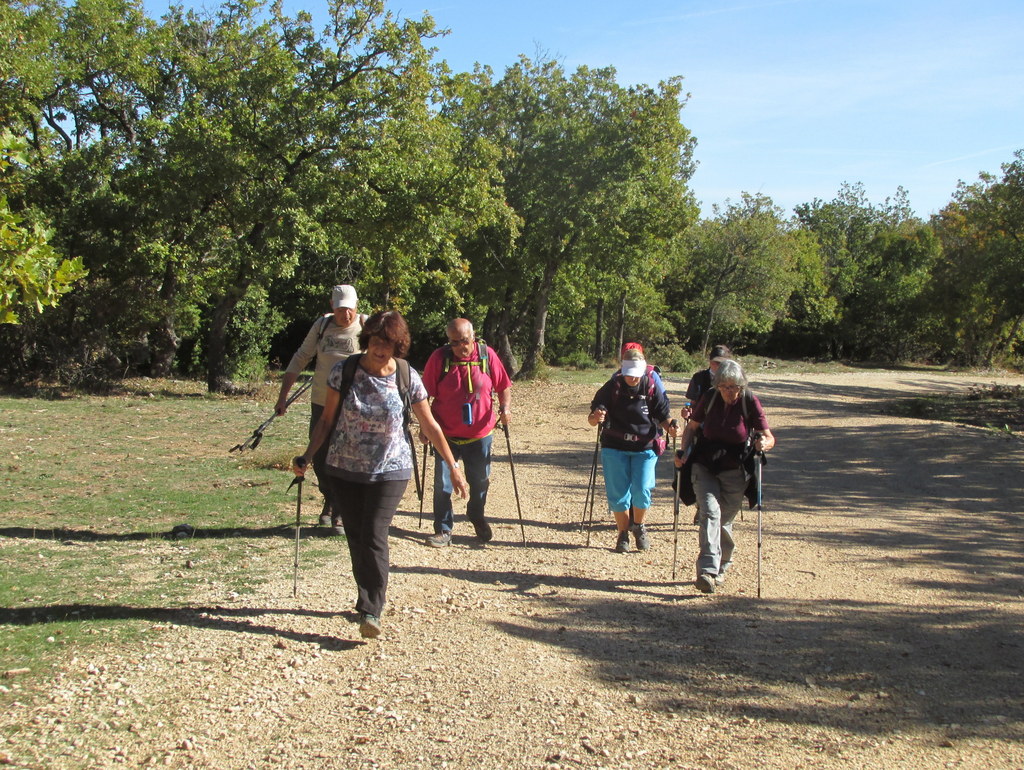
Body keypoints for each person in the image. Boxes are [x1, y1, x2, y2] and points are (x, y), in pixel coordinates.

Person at [291, 311, 467, 639]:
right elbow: (326, 421)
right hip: (344, 467)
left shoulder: (406, 376)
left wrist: (454, 469)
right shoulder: (343, 371)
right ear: (366, 341)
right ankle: (366, 595)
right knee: (355, 536)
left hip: (391, 468)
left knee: (373, 533)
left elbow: (430, 424)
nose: (380, 349)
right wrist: (307, 455)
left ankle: (372, 607)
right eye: (375, 342)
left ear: (398, 346)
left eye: (388, 343)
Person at [675, 358, 775, 593]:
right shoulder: (709, 397)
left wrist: (764, 443)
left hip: (736, 468)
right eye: (725, 387)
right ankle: (708, 570)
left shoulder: (749, 400)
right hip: (705, 463)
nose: (729, 392)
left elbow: (768, 436)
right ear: (718, 385)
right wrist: (684, 452)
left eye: (734, 387)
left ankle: (722, 565)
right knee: (710, 512)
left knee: (723, 520)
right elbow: (692, 427)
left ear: (742, 386)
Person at [276, 285, 365, 534]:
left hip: (353, 406)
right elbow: (301, 357)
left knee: (348, 456)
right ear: (332, 306)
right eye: (340, 309)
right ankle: (329, 499)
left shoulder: (365, 326)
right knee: (320, 454)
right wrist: (283, 397)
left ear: (356, 306)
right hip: (321, 401)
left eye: (349, 309)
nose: (345, 314)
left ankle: (339, 510)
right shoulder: (322, 326)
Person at [420, 318, 512, 547]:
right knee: (443, 484)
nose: (460, 347)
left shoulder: (486, 355)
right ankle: (443, 529)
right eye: (454, 342)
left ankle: (476, 514)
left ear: (473, 336)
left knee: (480, 481)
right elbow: (423, 395)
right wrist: (424, 427)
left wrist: (505, 409)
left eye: (464, 341)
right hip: (445, 434)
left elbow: (503, 385)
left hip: (480, 434)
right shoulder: (440, 358)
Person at [588, 348, 678, 553]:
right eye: (629, 373)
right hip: (614, 446)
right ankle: (622, 534)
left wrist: (672, 427)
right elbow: (593, 417)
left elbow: (664, 416)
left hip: (645, 447)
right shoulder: (612, 386)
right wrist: (596, 417)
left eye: (636, 374)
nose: (632, 378)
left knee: (642, 490)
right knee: (618, 495)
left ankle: (638, 525)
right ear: (622, 370)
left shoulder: (651, 385)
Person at [680, 344, 731, 421]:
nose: (716, 365)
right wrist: (687, 412)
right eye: (714, 362)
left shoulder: (732, 380)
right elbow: (693, 404)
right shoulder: (698, 377)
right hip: (702, 424)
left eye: (720, 363)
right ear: (710, 361)